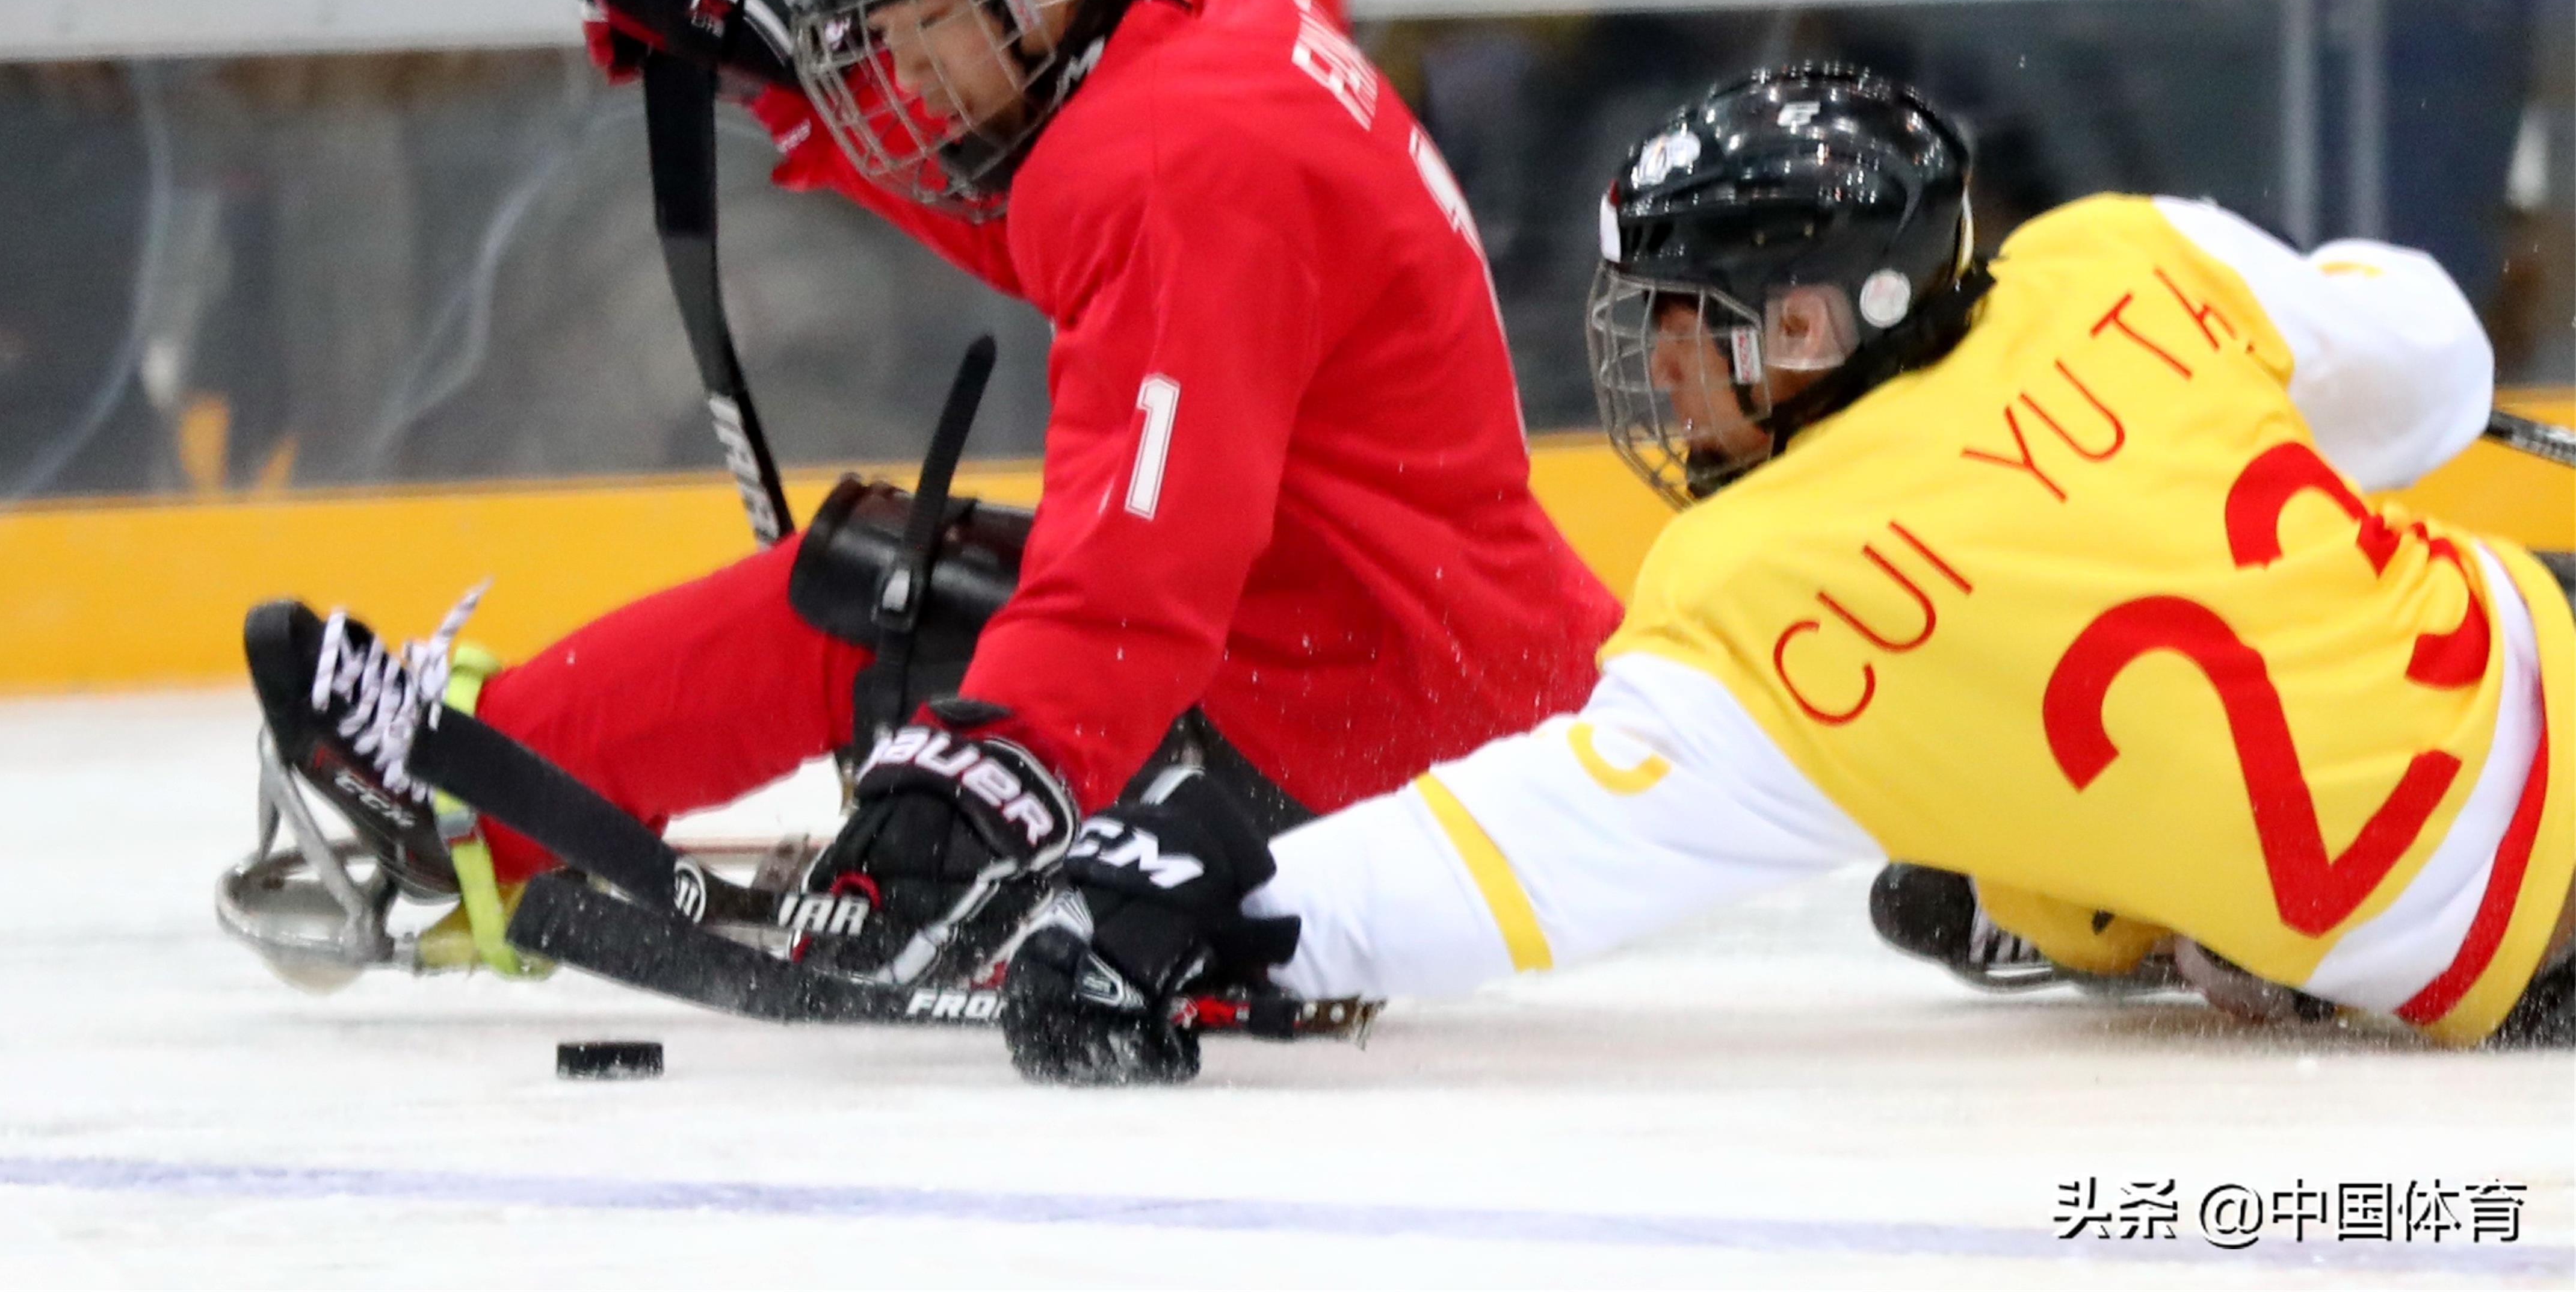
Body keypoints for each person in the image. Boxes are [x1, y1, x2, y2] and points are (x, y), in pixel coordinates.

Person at [238, 0, 1620, 995]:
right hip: (1382, 658)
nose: (885, 61)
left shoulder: (1188, 169)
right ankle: (509, 770)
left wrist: (987, 778)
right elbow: (1045, 210)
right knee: (891, 578)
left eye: (910, 19)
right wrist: (770, 57)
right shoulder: (1183, 25)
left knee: (877, 597)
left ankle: (486, 799)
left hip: (1379, 752)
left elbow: (1137, 577)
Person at [998, 63, 2575, 1083]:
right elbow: (2430, 357)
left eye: (1687, 324)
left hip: (2471, 942)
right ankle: (2090, 903)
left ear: (1813, 323)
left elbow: (1516, 858)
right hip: (2536, 660)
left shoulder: (1766, 587)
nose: (1661, 370)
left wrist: (1227, 905)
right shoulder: (2118, 255)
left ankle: (2110, 915)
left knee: (2025, 793)